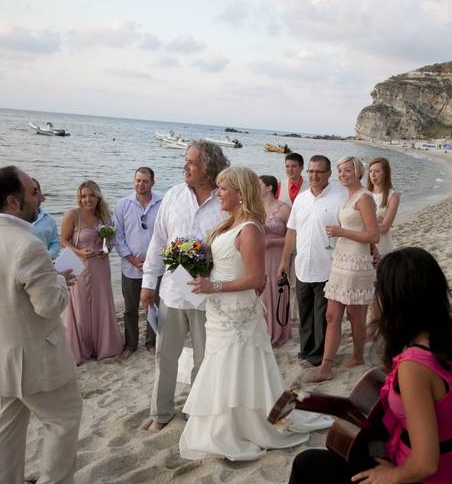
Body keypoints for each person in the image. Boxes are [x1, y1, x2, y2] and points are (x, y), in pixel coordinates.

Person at [267, 247, 452, 484]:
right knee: (372, 443)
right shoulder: (450, 336)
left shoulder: (415, 366)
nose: (374, 298)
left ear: (397, 301)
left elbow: (425, 461)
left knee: (308, 465)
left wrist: (392, 473)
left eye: (379, 291)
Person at [0, 166, 96, 484]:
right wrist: (60, 284)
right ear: (12, 200)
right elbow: (49, 307)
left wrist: (48, 276)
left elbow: (5, 291)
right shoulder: (27, 244)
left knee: (4, 422)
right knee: (64, 418)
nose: (42, 198)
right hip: (33, 356)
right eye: (34, 192)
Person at [179, 167, 331, 461]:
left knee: (237, 364)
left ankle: (241, 425)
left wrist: (214, 285)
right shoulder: (226, 225)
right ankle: (222, 422)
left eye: (223, 188)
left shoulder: (249, 228)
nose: (218, 193)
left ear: (239, 193)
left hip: (236, 312)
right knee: (219, 363)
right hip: (220, 311)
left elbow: (256, 279)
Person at [140, 141, 228, 432]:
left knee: (204, 357)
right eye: (185, 161)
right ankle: (160, 412)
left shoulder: (226, 200)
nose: (185, 166)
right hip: (173, 292)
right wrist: (148, 283)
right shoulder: (174, 196)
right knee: (165, 355)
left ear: (208, 167)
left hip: (207, 294)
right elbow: (158, 242)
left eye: (191, 162)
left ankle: (197, 410)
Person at [309, 156, 380, 382]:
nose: (342, 175)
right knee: (331, 315)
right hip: (341, 260)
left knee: (355, 314)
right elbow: (368, 235)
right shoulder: (348, 198)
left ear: (357, 171)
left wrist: (342, 232)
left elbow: (373, 233)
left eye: (347, 170)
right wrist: (373, 248)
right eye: (339, 171)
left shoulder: (365, 197)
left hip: (356, 263)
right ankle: (326, 366)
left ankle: (358, 356)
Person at [277, 155, 345, 367]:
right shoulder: (302, 198)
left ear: (329, 174)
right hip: (303, 266)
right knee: (305, 313)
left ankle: (317, 356)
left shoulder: (339, 199)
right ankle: (305, 351)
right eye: (311, 172)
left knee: (321, 314)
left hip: (327, 266)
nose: (314, 176)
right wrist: (283, 262)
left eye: (319, 172)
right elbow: (291, 232)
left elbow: (347, 231)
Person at [60, 180, 124, 364]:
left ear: (98, 197)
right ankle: (80, 348)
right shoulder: (72, 215)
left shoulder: (104, 216)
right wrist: (79, 252)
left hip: (100, 266)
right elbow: (64, 240)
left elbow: (110, 240)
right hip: (78, 265)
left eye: (91, 195)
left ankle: (102, 346)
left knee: (101, 304)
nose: (87, 199)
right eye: (83, 196)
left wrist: (107, 250)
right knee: (79, 305)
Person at [113, 166, 162, 359]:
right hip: (130, 268)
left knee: (154, 305)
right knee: (130, 308)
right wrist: (133, 260)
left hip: (156, 266)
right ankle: (131, 344)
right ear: (134, 181)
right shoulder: (123, 205)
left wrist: (153, 260)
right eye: (138, 180)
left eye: (145, 181)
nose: (141, 184)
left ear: (152, 182)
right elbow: (118, 237)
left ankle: (152, 342)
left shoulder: (162, 203)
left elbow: (166, 234)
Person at [259, 175, 291, 347]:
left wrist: (271, 242)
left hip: (277, 255)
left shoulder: (283, 209)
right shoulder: (255, 208)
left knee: (274, 292)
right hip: (259, 256)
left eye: (259, 185)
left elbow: (293, 237)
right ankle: (261, 331)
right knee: (261, 294)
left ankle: (276, 333)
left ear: (269, 187)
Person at [366, 157, 399, 257]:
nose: (372, 174)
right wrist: (377, 221)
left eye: (377, 171)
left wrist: (365, 222)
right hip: (364, 245)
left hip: (382, 246)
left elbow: (384, 227)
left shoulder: (393, 196)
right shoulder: (365, 193)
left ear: (385, 174)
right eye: (370, 171)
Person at [31, 178, 61, 260]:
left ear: (40, 195)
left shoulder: (49, 220)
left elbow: (56, 242)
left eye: (35, 192)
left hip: (44, 265)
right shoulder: (14, 219)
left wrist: (49, 254)